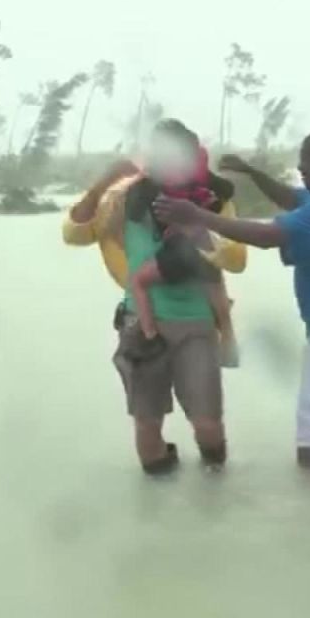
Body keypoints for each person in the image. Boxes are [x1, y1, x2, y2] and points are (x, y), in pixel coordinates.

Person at [154, 130, 310, 483]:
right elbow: (291, 198)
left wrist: (197, 216)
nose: (299, 167)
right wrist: (252, 172)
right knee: (309, 432)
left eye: (307, 162)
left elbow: (267, 237)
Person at [61, 120, 247, 476]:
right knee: (147, 427)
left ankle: (216, 485)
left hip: (197, 322)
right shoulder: (124, 197)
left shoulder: (213, 201)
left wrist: (198, 227)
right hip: (139, 325)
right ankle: (160, 484)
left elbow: (237, 260)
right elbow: (74, 233)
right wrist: (103, 182)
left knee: (208, 424)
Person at [126, 143, 240, 368]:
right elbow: (224, 191)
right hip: (203, 246)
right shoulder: (205, 190)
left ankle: (150, 337)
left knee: (138, 281)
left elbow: (137, 213)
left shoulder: (163, 190)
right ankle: (228, 339)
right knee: (215, 285)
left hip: (179, 251)